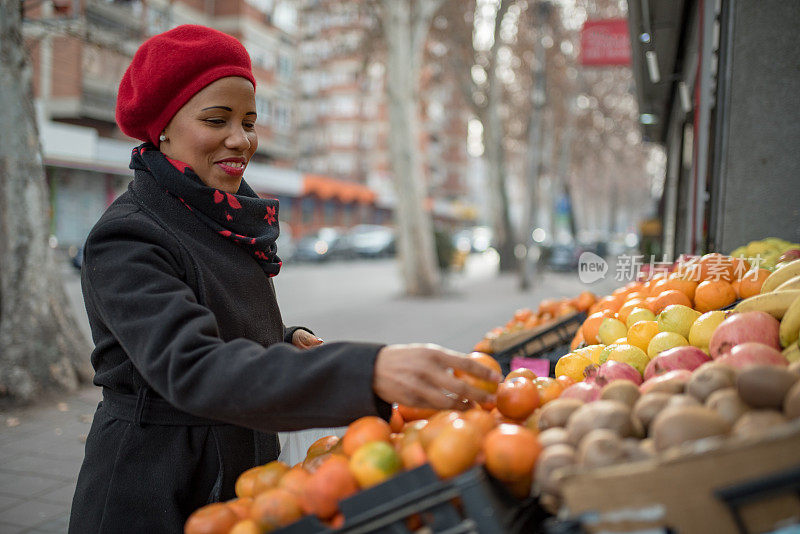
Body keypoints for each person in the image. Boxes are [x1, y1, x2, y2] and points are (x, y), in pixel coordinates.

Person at [68, 25, 500, 533]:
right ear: (162, 127)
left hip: (244, 470)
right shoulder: (127, 237)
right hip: (156, 489)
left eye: (249, 121)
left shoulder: (224, 214)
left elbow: (215, 319)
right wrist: (367, 372)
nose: (241, 139)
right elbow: (192, 366)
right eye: (217, 120)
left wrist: (282, 338)